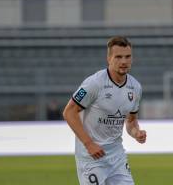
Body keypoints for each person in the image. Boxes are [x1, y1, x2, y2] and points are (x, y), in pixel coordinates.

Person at [63, 36, 147, 185]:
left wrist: (136, 133)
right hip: (91, 157)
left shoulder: (135, 87)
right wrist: (89, 144)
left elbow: (131, 121)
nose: (124, 61)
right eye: (118, 57)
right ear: (109, 58)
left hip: (117, 156)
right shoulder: (94, 83)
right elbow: (69, 112)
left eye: (127, 56)